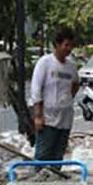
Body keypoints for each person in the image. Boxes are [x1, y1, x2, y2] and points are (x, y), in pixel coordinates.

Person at [29, 28, 80, 162]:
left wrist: (68, 98)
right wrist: (38, 116)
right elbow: (36, 89)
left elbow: (76, 83)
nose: (69, 49)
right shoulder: (45, 63)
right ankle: (41, 180)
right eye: (66, 45)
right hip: (48, 118)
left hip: (65, 118)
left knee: (58, 154)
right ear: (57, 45)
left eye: (71, 46)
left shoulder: (71, 66)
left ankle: (55, 179)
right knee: (44, 154)